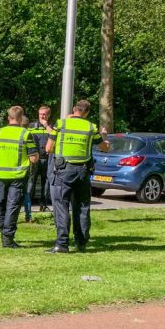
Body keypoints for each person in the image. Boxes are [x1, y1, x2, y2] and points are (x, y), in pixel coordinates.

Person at [46, 100, 109, 253]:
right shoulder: (91, 127)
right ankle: (81, 242)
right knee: (82, 207)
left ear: (74, 109)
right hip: (82, 171)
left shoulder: (60, 124)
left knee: (61, 206)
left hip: (63, 170)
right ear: (86, 113)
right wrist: (105, 138)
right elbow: (104, 148)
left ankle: (62, 244)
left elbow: (48, 148)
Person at [0, 105, 39, 248]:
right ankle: (8, 239)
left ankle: (3, 234)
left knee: (1, 204)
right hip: (18, 175)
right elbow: (33, 159)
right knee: (13, 206)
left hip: (0, 174)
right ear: (21, 117)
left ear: (8, 117)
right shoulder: (25, 134)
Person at [24, 104, 55, 221]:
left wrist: (46, 125)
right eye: (40, 114)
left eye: (44, 114)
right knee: (31, 183)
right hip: (34, 159)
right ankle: (28, 207)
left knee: (46, 184)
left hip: (47, 159)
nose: (42, 116)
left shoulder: (51, 126)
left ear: (48, 115)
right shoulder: (31, 126)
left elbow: (54, 136)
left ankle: (43, 205)